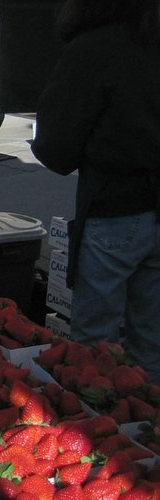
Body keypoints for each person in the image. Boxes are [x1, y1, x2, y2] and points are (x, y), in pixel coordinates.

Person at [31, 0, 160, 384]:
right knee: (152, 343)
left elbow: (56, 148)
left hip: (114, 209)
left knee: (95, 351)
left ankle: (104, 420)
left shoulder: (92, 49)